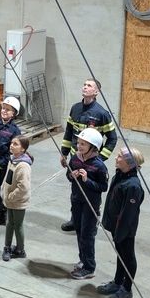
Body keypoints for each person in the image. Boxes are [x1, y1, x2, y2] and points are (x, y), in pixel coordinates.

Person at [60, 78, 116, 232]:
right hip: (76, 158)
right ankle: (75, 219)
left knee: (92, 191)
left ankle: (93, 220)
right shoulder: (75, 108)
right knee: (76, 189)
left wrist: (100, 158)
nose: (85, 87)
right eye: (84, 84)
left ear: (96, 92)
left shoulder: (102, 114)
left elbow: (112, 138)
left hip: (92, 161)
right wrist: (64, 153)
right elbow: (69, 132)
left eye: (89, 85)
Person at [98, 147, 145, 298]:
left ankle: (127, 288)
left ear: (130, 163)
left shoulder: (133, 186)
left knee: (128, 256)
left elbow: (128, 215)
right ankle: (118, 282)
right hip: (116, 226)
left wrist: (120, 233)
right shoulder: (119, 176)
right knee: (120, 256)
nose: (116, 158)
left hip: (125, 230)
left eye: (120, 157)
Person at [67, 127, 109, 280]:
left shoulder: (99, 166)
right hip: (77, 200)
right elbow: (68, 175)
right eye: (79, 143)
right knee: (79, 231)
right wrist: (72, 175)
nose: (79, 146)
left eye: (83, 144)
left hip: (90, 205)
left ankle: (89, 267)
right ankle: (83, 260)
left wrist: (87, 180)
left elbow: (103, 187)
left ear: (93, 147)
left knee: (87, 235)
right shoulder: (75, 158)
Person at [0, 96, 22, 226]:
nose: (4, 111)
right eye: (3, 108)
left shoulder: (15, 130)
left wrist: (2, 163)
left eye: (8, 110)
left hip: (3, 165)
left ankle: (3, 213)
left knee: (0, 190)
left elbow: (13, 151)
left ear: (14, 114)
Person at [1, 135, 32, 260]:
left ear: (23, 149)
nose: (11, 145)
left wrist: (10, 196)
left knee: (17, 225)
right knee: (9, 223)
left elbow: (23, 187)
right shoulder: (13, 160)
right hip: (10, 200)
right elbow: (8, 178)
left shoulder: (23, 166)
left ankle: (20, 250)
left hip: (17, 201)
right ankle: (7, 247)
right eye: (12, 143)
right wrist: (4, 190)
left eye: (16, 144)